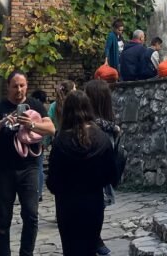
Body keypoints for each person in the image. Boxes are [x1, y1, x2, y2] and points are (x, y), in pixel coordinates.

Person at [0, 71, 56, 256]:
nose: (19, 90)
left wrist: (31, 125)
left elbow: (51, 129)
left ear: (27, 86)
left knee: (31, 215)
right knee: (3, 219)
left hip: (29, 168)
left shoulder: (35, 105)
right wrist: (3, 122)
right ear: (8, 87)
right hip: (5, 170)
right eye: (15, 86)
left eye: (22, 85)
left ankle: (26, 253)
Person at [46, 90, 117, 256]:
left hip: (67, 205)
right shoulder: (102, 138)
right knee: (90, 248)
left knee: (71, 250)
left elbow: (53, 181)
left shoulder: (60, 141)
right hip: (93, 203)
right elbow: (111, 175)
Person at [84, 79, 121, 255]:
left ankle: (94, 240)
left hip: (97, 177)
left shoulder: (104, 126)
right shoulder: (104, 127)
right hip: (97, 178)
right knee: (96, 212)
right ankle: (95, 240)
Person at [30, 89, 49, 203]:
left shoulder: (35, 111)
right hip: (42, 142)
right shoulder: (45, 109)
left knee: (37, 167)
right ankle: (39, 193)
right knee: (39, 168)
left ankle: (36, 193)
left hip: (36, 141)